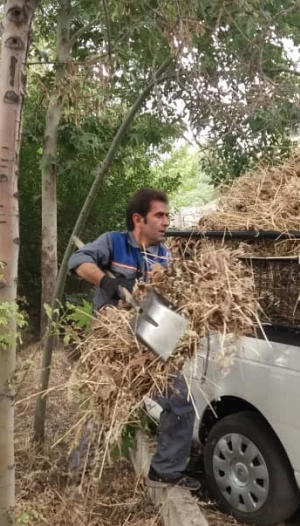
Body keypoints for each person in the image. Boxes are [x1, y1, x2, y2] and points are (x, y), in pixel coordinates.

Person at [68, 188, 201, 491]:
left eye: (167, 215)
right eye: (159, 215)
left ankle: (166, 470)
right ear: (138, 219)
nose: (166, 221)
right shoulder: (113, 243)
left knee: (181, 402)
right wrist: (108, 281)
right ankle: (79, 472)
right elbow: (78, 260)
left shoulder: (164, 254)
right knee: (105, 406)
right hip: (114, 341)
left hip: (153, 341)